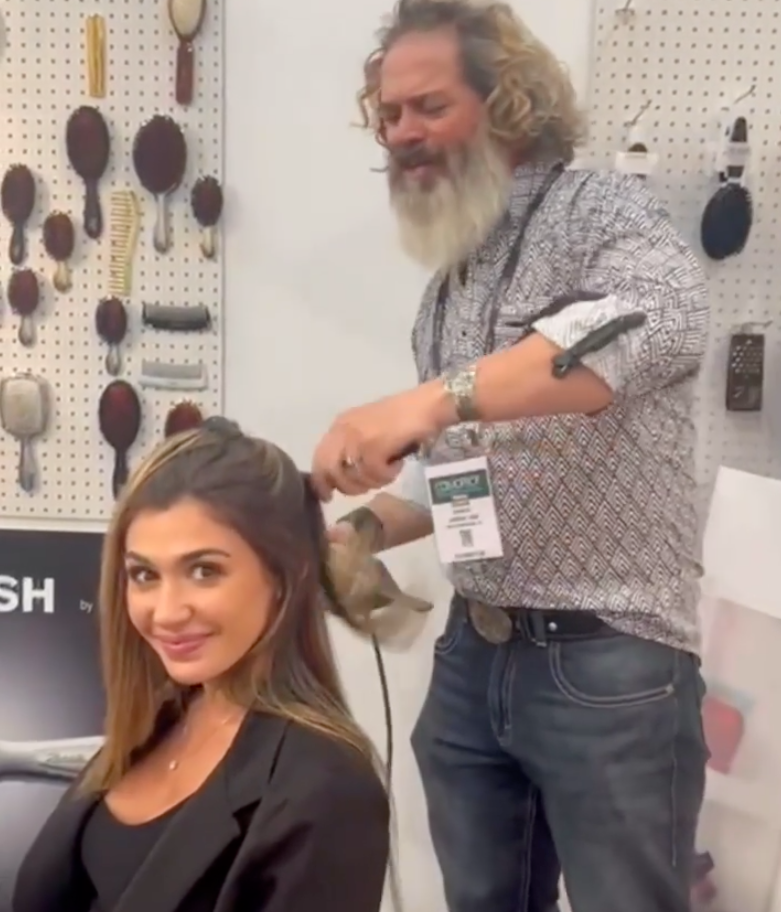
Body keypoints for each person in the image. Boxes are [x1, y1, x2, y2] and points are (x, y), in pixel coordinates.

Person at [312, 2, 711, 912]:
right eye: (389, 115)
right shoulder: (446, 287)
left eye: (428, 106)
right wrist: (367, 527)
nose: (403, 133)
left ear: (509, 104)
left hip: (609, 664)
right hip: (472, 657)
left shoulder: (597, 209)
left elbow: (661, 318)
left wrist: (425, 399)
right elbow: (467, 466)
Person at [13, 418, 393, 912]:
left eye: (204, 571)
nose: (167, 611)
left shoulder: (326, 787)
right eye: (144, 574)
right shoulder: (159, 721)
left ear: (285, 576)